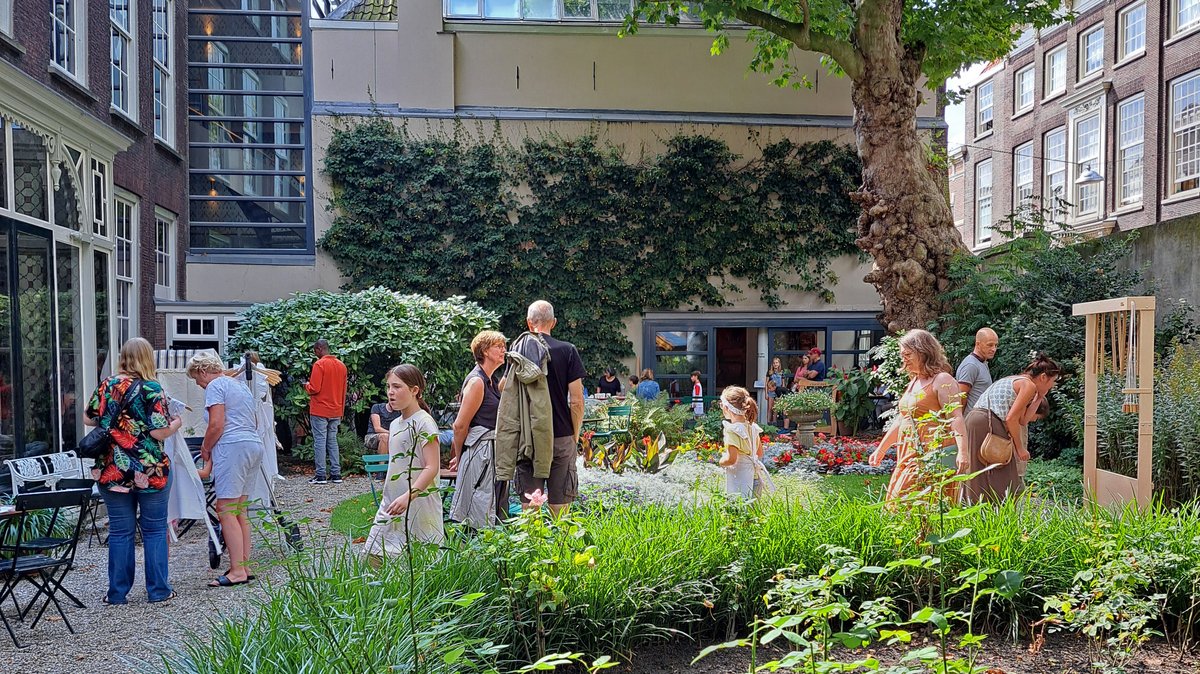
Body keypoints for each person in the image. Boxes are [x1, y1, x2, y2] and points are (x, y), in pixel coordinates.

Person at [84, 337, 183, 605]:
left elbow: (86, 417)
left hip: (112, 468)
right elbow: (158, 431)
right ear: (148, 358)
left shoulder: (108, 384)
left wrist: (111, 421)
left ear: (123, 357)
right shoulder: (153, 388)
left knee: (120, 532)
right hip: (149, 469)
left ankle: (117, 594)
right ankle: (159, 591)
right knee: (153, 530)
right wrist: (176, 423)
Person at [188, 352, 265, 587]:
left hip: (232, 447)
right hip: (253, 444)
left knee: (225, 508)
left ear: (202, 371)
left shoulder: (215, 385)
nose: (199, 385)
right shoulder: (239, 386)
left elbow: (217, 424)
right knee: (240, 508)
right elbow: (254, 421)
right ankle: (244, 564)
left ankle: (236, 571)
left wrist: (205, 447)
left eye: (196, 379)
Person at [867, 330, 967, 503]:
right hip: (909, 452)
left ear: (923, 352)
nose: (903, 359)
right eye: (902, 354)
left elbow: (956, 417)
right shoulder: (914, 382)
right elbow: (903, 419)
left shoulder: (942, 379)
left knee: (924, 503)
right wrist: (881, 450)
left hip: (933, 454)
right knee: (900, 504)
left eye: (907, 354)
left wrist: (963, 452)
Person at [363, 365, 445, 556]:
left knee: (421, 561)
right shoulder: (394, 424)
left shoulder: (424, 422)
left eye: (397, 387)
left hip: (418, 503)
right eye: (389, 387)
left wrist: (408, 496)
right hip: (391, 503)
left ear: (414, 390)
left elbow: (432, 467)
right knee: (374, 555)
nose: (391, 392)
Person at [514, 301, 586, 517]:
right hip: (561, 435)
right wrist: (574, 435)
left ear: (529, 323)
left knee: (530, 506)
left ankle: (532, 549)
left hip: (530, 437)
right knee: (560, 506)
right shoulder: (568, 350)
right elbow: (576, 401)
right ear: (553, 323)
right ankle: (560, 550)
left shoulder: (518, 351)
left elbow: (505, 391)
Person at [960, 353, 1062, 504]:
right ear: (1043, 377)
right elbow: (1011, 419)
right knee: (1002, 470)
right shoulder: (1028, 385)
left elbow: (1023, 420)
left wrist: (1039, 397)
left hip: (978, 420)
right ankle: (995, 510)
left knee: (983, 470)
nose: (1052, 386)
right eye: (1052, 381)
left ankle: (979, 509)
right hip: (986, 421)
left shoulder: (1018, 381)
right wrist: (1020, 448)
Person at [448, 330, 507, 528]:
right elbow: (460, 425)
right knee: (478, 507)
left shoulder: (492, 381)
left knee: (490, 505)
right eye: (498, 346)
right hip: (480, 452)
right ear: (484, 351)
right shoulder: (477, 382)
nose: (503, 350)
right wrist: (461, 454)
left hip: (491, 450)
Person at [717, 386, 775, 499]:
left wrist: (721, 461)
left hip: (741, 479)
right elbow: (759, 452)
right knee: (755, 513)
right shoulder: (753, 427)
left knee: (739, 511)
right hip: (755, 478)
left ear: (727, 408)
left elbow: (731, 459)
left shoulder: (732, 430)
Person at [304, 339, 347, 485]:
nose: (315, 354)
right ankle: (336, 474)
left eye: (315, 351)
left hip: (320, 409)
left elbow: (314, 388)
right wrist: (341, 410)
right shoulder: (341, 365)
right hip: (336, 409)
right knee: (332, 441)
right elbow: (343, 390)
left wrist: (306, 385)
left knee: (320, 441)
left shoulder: (319, 364)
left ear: (319, 349)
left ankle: (321, 475)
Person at [956, 327, 999, 412]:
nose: (994, 349)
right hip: (971, 421)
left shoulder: (982, 362)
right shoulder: (971, 365)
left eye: (996, 345)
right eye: (990, 345)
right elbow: (961, 397)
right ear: (978, 344)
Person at [766, 357, 784, 425]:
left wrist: (782, 393)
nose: (775, 364)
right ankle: (768, 422)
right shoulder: (770, 372)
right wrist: (766, 393)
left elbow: (783, 384)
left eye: (777, 363)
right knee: (770, 408)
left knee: (776, 408)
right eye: (774, 363)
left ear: (779, 364)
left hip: (778, 391)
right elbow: (766, 383)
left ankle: (774, 422)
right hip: (771, 391)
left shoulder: (781, 372)